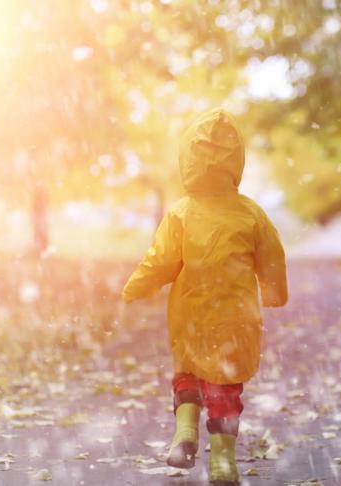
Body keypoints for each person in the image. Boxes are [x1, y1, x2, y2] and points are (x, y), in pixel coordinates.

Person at [121, 108, 288, 484]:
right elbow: (272, 257)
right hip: (235, 318)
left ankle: (184, 434)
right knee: (225, 386)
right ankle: (223, 463)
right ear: (235, 161)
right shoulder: (251, 215)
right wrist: (275, 293)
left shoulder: (181, 213)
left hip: (191, 314)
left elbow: (160, 260)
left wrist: (137, 287)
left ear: (189, 160)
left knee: (189, 375)